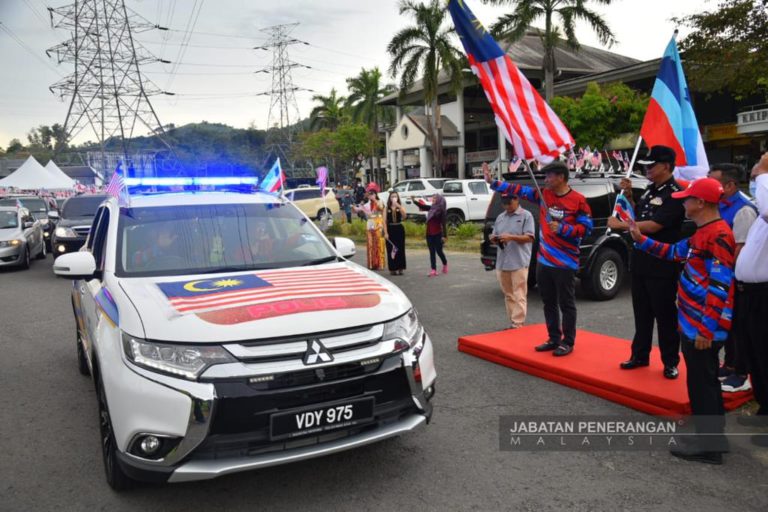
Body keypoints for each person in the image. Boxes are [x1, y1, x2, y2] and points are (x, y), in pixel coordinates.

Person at [629, 177, 735, 464]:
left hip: (703, 325)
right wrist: (641, 240)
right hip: (694, 322)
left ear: (700, 203)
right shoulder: (703, 232)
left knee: (703, 384)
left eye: (687, 199)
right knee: (704, 382)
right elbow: (674, 252)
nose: (683, 202)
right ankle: (711, 438)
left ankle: (710, 448)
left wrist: (706, 329)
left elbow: (721, 286)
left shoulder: (719, 235)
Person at [483, 160, 592, 356]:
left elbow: (586, 228)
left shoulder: (579, 200)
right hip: (544, 261)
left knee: (566, 303)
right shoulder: (544, 195)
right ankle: (553, 338)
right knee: (548, 302)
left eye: (549, 176)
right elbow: (519, 190)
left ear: (561, 177)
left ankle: (568, 342)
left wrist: (564, 229)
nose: (546, 179)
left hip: (565, 262)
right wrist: (494, 183)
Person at [608, 145, 686, 379]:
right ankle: (639, 356)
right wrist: (630, 197)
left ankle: (670, 361)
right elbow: (639, 216)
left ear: (666, 166)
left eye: (652, 166)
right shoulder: (651, 190)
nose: (648, 170)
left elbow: (654, 226)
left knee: (665, 316)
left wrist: (620, 225)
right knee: (642, 314)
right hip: (641, 261)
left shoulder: (674, 193)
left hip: (662, 265)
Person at [708, 163, 758, 393]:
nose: (710, 185)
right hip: (719, 275)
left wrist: (722, 274)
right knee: (725, 323)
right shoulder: (717, 205)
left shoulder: (744, 210)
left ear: (729, 185)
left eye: (714, 182)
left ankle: (742, 372)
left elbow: (740, 249)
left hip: (735, 278)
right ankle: (729, 364)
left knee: (739, 325)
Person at [732, 153, 768, 446]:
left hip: (764, 294)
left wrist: (765, 172)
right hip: (750, 293)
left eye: (755, 177)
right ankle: (764, 408)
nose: (754, 180)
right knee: (755, 355)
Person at [490, 191, 535, 329]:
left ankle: (518, 323)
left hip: (519, 261)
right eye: (504, 203)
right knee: (508, 295)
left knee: (519, 294)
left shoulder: (526, 216)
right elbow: (496, 234)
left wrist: (511, 237)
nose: (507, 206)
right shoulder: (500, 217)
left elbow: (530, 237)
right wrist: (494, 239)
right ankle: (513, 322)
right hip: (503, 261)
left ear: (517, 200)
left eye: (509, 203)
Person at [415, 193, 448, 277]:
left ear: (439, 200)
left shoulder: (441, 211)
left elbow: (443, 224)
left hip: (438, 234)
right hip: (429, 234)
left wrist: (445, 236)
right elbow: (422, 206)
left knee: (439, 251)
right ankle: (433, 270)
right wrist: (413, 200)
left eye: (434, 199)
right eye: (432, 199)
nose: (432, 200)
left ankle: (445, 263)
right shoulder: (431, 208)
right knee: (432, 252)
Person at [353, 190, 385, 270]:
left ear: (376, 194)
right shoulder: (367, 204)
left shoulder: (380, 201)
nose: (370, 196)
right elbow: (356, 211)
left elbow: (381, 208)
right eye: (369, 195)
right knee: (371, 244)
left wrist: (374, 200)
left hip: (378, 223)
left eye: (372, 194)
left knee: (379, 243)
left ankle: (380, 264)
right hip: (370, 223)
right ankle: (372, 263)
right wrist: (354, 207)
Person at [383, 191, 407, 275]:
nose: (394, 198)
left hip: (399, 228)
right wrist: (386, 233)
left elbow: (404, 216)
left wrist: (399, 206)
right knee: (391, 249)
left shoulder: (400, 206)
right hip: (390, 228)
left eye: (395, 196)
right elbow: (384, 221)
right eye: (392, 196)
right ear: (390, 198)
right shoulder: (386, 208)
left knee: (400, 248)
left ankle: (400, 267)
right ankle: (393, 268)